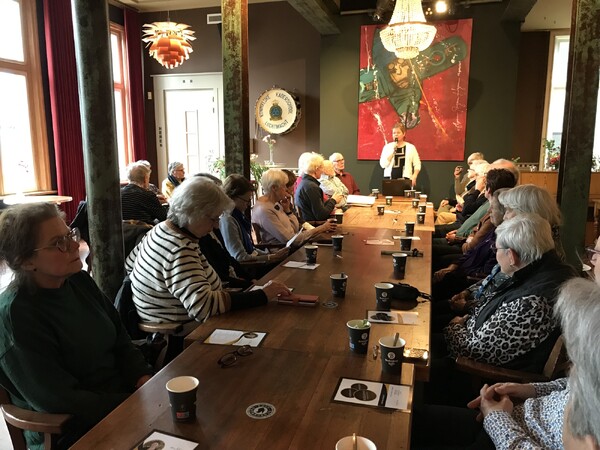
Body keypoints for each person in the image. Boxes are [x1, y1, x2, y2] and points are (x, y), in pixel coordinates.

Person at [0, 203, 153, 450]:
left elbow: (120, 339)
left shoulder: (79, 280)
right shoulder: (15, 316)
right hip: (74, 431)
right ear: (26, 261)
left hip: (126, 404)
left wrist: (143, 377)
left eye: (70, 234)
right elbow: (60, 400)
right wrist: (134, 404)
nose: (74, 245)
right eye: (58, 243)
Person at [413, 276, 600, 450]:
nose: (572, 368)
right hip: (511, 416)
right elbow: (568, 386)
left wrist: (496, 419)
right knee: (418, 418)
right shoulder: (591, 377)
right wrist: (529, 389)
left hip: (503, 434)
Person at [125, 177, 291, 333]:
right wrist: (263, 295)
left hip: (179, 322)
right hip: (183, 333)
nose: (216, 225)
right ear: (193, 212)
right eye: (213, 219)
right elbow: (203, 307)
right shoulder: (179, 249)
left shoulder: (160, 230)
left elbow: (129, 266)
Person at [443, 213, 575, 372]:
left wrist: (453, 327)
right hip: (471, 336)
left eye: (496, 249)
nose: (495, 255)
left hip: (481, 378)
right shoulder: (537, 270)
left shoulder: (533, 303)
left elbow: (470, 351)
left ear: (511, 256)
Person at [252, 169, 336, 246]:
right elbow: (291, 240)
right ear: (274, 188)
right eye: (284, 186)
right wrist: (320, 229)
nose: (286, 189)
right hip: (283, 253)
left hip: (293, 247)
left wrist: (288, 211)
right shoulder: (264, 210)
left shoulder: (275, 203)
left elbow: (295, 229)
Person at [220, 174, 289, 263]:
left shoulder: (238, 216)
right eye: (246, 200)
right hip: (249, 269)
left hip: (255, 263)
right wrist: (270, 258)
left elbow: (251, 249)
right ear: (233, 197)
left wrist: (271, 256)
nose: (248, 204)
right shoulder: (228, 220)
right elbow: (240, 257)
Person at [499, 184, 564, 258]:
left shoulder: (537, 250)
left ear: (526, 213)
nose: (504, 217)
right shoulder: (536, 240)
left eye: (509, 210)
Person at [295, 152, 343, 222]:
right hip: (315, 227)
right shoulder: (311, 187)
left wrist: (332, 200)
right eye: (322, 168)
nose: (322, 171)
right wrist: (334, 200)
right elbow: (321, 215)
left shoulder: (306, 183)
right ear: (316, 169)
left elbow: (319, 208)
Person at [379, 121, 421, 187]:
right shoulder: (387, 147)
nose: (396, 134)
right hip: (389, 180)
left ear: (404, 134)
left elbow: (417, 164)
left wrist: (414, 176)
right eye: (394, 133)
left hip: (405, 180)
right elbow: (382, 165)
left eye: (398, 132)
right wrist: (392, 153)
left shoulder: (411, 147)